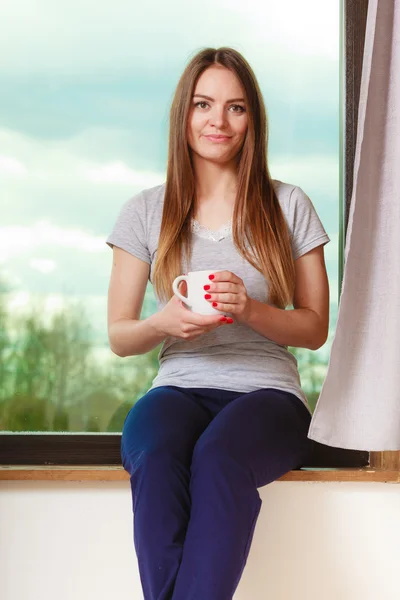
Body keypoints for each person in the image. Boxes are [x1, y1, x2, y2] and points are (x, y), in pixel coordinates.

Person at [106, 46, 330, 600]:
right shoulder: (144, 211)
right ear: (184, 115)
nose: (218, 121)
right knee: (155, 455)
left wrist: (249, 310)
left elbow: (314, 329)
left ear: (252, 119)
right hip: (179, 386)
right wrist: (163, 324)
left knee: (219, 456)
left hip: (268, 396)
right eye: (204, 105)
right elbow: (119, 336)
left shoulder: (289, 204)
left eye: (236, 108)